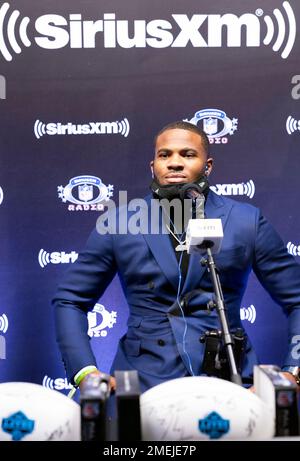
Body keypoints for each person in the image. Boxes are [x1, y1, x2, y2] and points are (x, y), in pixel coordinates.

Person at [53, 121, 300, 395]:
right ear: (153, 166)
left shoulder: (246, 221)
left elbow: (297, 298)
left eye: (188, 154)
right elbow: (70, 300)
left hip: (230, 381)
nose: (174, 163)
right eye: (164, 155)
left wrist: (293, 371)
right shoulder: (118, 223)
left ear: (208, 166)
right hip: (142, 383)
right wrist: (85, 371)